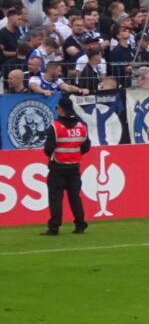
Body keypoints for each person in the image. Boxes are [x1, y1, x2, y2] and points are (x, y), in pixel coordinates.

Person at [41, 97, 91, 236]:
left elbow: (48, 149)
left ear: (61, 109)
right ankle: (80, 224)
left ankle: (54, 227)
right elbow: (86, 147)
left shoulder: (55, 127)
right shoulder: (81, 127)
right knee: (75, 197)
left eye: (57, 107)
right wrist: (74, 153)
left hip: (57, 167)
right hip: (74, 167)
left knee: (56, 198)